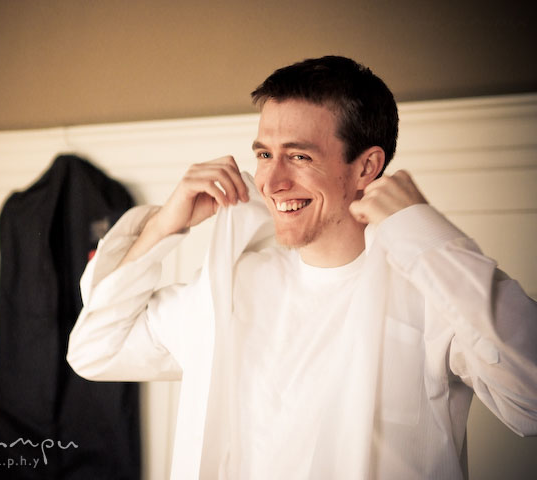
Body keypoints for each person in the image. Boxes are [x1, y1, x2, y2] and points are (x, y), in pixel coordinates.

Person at [67, 56, 537, 479]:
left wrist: (428, 239)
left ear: (366, 166)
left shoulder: (433, 292)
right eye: (264, 154)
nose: (271, 181)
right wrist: (163, 226)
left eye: (298, 156)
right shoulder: (234, 287)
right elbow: (95, 350)